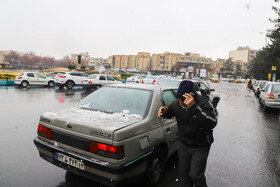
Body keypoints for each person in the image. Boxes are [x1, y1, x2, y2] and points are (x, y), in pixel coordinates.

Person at [158, 80, 217, 187]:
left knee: (196, 176)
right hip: (184, 144)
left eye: (183, 100)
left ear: (191, 96)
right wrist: (164, 112)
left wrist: (194, 108)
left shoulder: (204, 102)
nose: (180, 103)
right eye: (178, 99)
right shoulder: (177, 104)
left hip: (201, 146)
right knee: (183, 176)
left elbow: (212, 122)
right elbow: (169, 112)